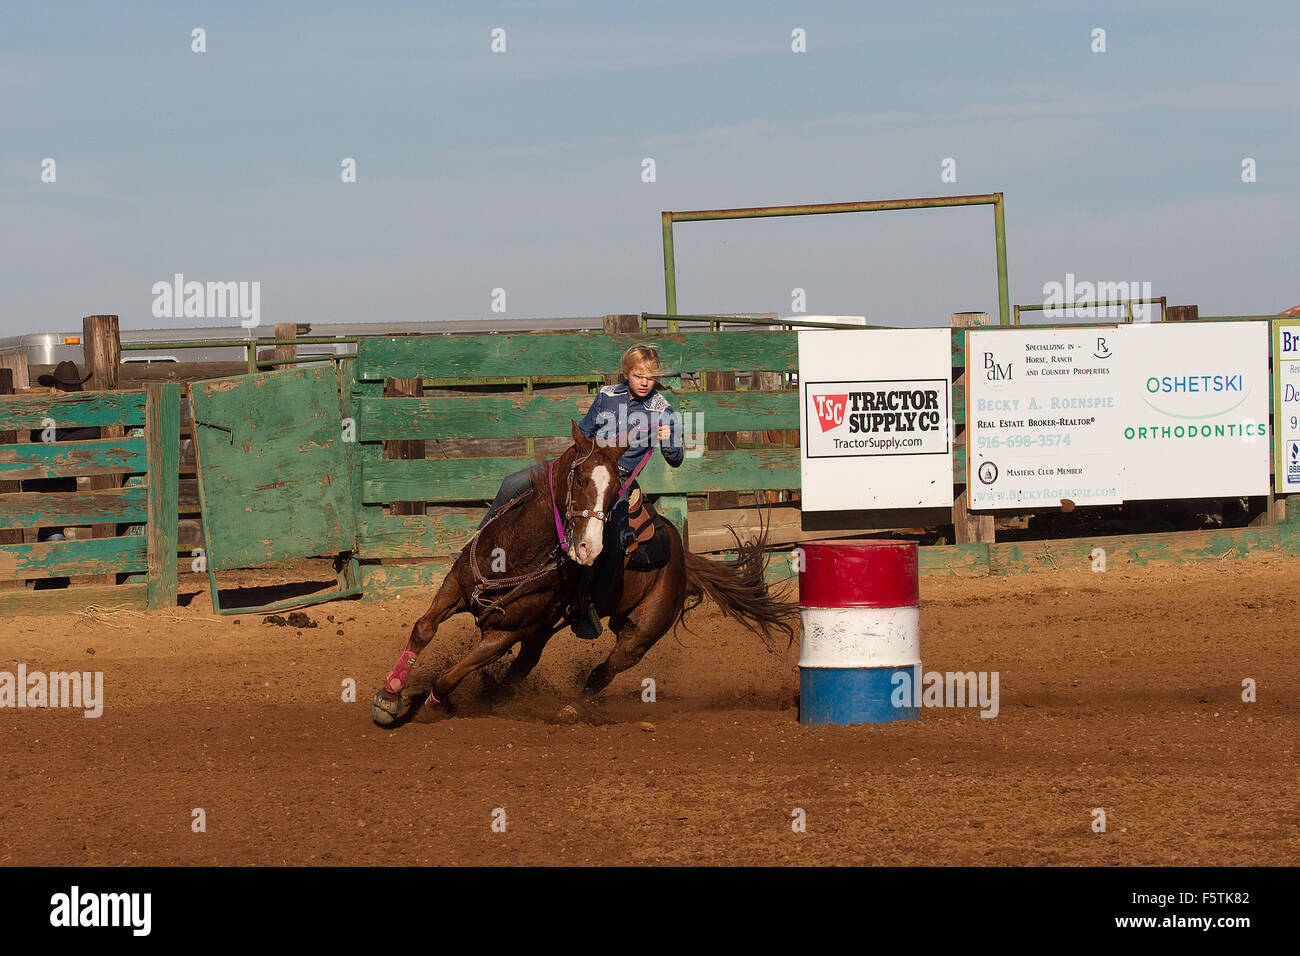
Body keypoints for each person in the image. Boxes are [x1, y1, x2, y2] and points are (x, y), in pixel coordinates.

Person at [476, 344, 685, 638]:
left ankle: (591, 608)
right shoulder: (606, 396)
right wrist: (575, 464)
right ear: (627, 373)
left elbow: (676, 460)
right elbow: (585, 432)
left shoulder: (664, 412)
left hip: (616, 482)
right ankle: (477, 544)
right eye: (639, 375)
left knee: (613, 540)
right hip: (581, 467)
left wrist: (669, 440)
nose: (644, 382)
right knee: (512, 483)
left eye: (650, 377)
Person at [23, 361, 100, 589]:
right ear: (55, 387)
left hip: (63, 479)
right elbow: (38, 439)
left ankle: (52, 580)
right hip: (41, 479)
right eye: (63, 386)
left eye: (71, 387)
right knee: (52, 529)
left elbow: (92, 433)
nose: (66, 391)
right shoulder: (45, 410)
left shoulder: (81, 412)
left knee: (53, 528)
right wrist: (64, 442)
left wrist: (58, 443)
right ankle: (54, 581)